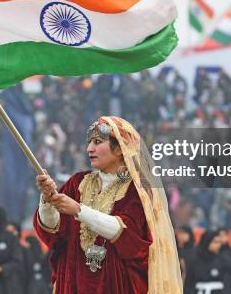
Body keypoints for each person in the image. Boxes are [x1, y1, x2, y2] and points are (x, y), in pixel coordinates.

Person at [34, 116, 182, 293]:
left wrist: (79, 210)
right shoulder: (77, 183)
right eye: (89, 142)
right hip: (75, 278)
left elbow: (132, 238)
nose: (89, 148)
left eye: (98, 142)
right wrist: (47, 200)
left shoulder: (139, 190)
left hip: (116, 281)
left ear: (120, 148)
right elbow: (53, 233)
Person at [184, 229, 231, 294]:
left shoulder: (223, 259)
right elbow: (188, 283)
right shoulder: (194, 260)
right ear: (207, 242)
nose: (218, 245)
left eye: (219, 242)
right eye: (215, 242)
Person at [175, 226, 196, 293]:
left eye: (184, 233)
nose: (181, 236)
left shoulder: (196, 251)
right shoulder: (178, 251)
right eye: (180, 233)